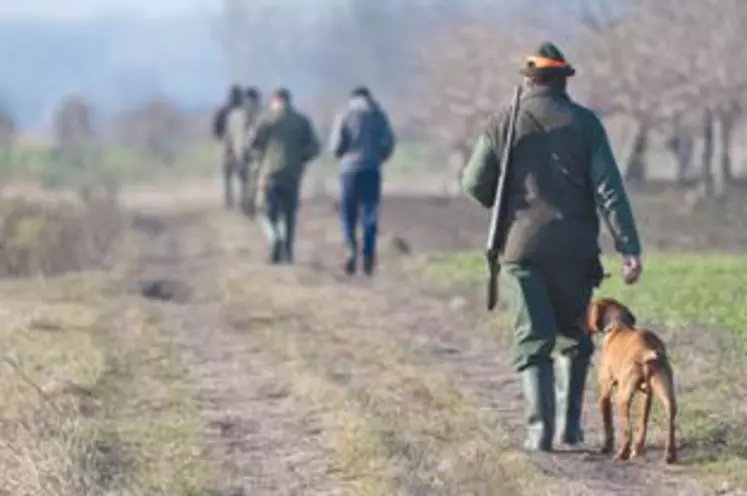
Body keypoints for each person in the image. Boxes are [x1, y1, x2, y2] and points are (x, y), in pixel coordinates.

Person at [460, 42, 643, 453]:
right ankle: (570, 426)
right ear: (563, 80)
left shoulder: (503, 123)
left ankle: (538, 431)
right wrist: (628, 245)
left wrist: (505, 202)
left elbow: (473, 183)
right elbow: (609, 189)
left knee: (532, 337)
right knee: (575, 335)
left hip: (521, 248)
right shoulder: (586, 124)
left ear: (528, 81)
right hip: (576, 250)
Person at [247, 88, 320, 264]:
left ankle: (274, 238)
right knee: (289, 213)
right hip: (292, 174)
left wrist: (259, 154)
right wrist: (301, 158)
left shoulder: (266, 119)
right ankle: (288, 251)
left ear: (274, 100)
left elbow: (252, 142)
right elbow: (314, 147)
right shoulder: (301, 121)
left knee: (267, 211)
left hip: (270, 172)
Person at [328, 86, 396, 276]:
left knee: (348, 213)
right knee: (369, 213)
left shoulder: (344, 114)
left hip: (349, 171)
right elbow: (388, 143)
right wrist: (378, 157)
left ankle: (350, 248)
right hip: (371, 169)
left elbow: (335, 146)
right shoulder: (378, 115)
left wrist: (344, 156)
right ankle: (367, 255)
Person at [212, 84, 248, 210]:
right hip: (239, 147)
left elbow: (216, 130)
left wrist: (222, 140)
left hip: (226, 147)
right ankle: (242, 202)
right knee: (242, 176)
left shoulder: (223, 111)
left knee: (228, 177)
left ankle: (229, 202)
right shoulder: (244, 112)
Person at [241, 86, 263, 218]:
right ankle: (249, 204)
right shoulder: (260, 113)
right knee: (252, 179)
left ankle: (248, 204)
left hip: (248, 151)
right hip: (253, 151)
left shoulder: (242, 113)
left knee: (249, 180)